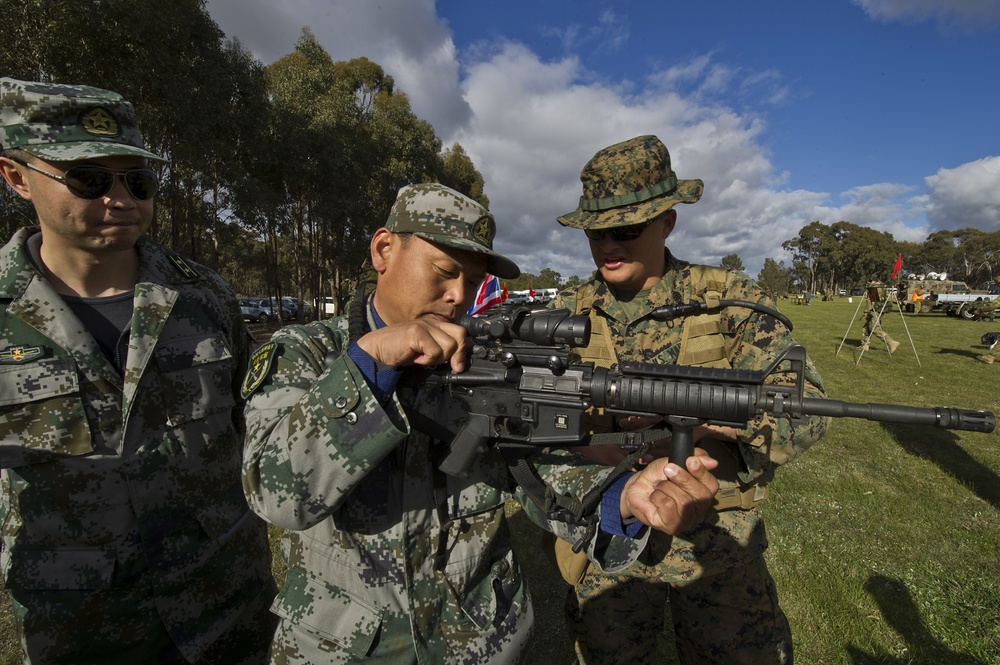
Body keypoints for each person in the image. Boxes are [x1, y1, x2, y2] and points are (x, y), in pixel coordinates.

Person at [240, 182, 722, 664]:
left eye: (471, 282)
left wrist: (623, 497)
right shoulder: (306, 354)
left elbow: (534, 468)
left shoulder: (478, 362)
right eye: (445, 271)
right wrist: (369, 363)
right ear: (384, 249)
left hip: (476, 642)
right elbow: (275, 493)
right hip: (339, 648)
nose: (458, 297)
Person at [0, 78, 276, 663]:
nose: (121, 199)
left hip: (225, 611)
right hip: (80, 629)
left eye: (139, 181)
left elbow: (254, 425)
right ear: (18, 177)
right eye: (90, 179)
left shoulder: (205, 297)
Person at [549, 134, 830, 664]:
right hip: (610, 538)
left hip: (716, 545)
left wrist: (699, 418)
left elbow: (807, 409)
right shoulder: (567, 311)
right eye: (596, 231)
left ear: (667, 223)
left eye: (626, 229)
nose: (608, 245)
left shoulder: (729, 303)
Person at [861, 280, 900, 353]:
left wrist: (866, 312)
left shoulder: (874, 288)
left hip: (875, 310)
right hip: (882, 309)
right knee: (866, 327)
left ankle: (891, 342)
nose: (868, 282)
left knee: (873, 328)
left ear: (873, 281)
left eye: (869, 281)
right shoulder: (882, 287)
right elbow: (889, 298)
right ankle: (865, 345)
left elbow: (871, 302)